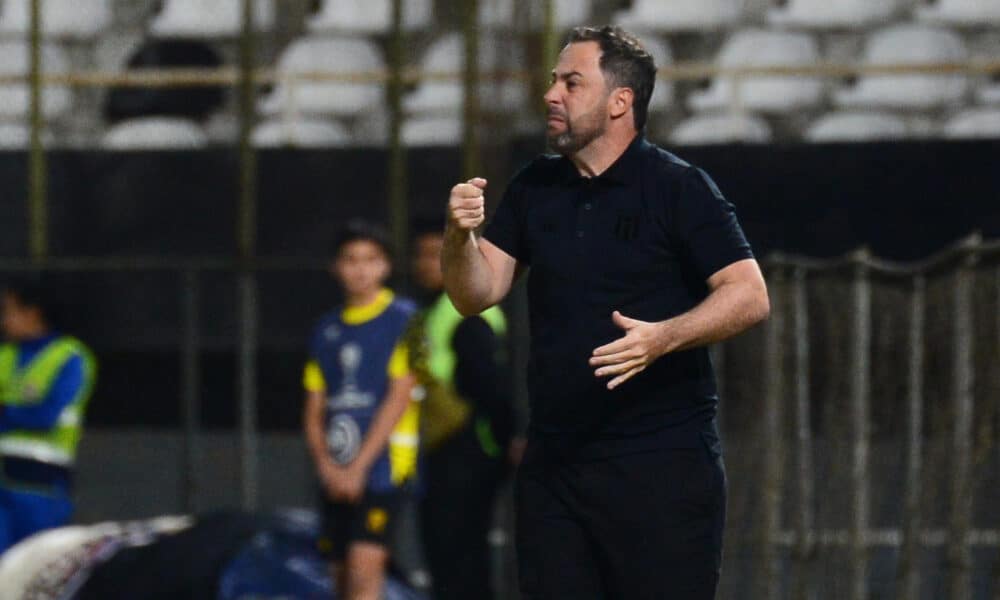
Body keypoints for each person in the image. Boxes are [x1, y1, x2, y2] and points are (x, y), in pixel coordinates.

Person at [441, 26, 770, 600]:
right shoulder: (535, 185)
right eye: (553, 81)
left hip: (660, 467)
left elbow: (748, 294)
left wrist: (663, 337)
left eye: (571, 82)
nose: (551, 94)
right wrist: (456, 236)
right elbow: (475, 294)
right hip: (555, 466)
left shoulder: (678, 187)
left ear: (620, 101)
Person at [302, 220, 419, 600]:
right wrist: (327, 467)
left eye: (370, 259)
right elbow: (314, 405)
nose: (360, 269)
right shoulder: (326, 329)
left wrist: (359, 467)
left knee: (363, 572)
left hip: (382, 469)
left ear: (386, 266)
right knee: (338, 578)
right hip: (336, 470)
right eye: (350, 260)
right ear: (336, 267)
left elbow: (400, 395)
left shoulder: (404, 319)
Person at [408, 218, 513, 600]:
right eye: (420, 255)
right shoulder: (435, 309)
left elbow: (491, 389)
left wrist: (501, 444)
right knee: (449, 559)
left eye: (436, 254)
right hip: (444, 450)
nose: (426, 264)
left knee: (461, 561)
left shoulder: (465, 313)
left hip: (466, 450)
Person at [0, 278, 97, 554]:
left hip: (41, 486)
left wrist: (6, 412)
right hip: (4, 484)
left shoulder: (70, 358)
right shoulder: (4, 356)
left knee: (36, 570)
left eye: (9, 311)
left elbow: (45, 416)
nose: (4, 320)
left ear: (32, 313)